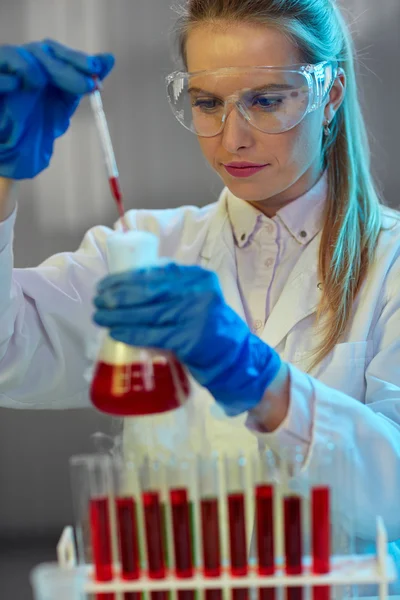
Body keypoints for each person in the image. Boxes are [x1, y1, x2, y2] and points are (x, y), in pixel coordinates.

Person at [0, 0, 399, 586]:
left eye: (266, 100)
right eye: (208, 103)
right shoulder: (140, 252)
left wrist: (265, 383)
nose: (232, 138)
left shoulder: (391, 263)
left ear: (329, 93)